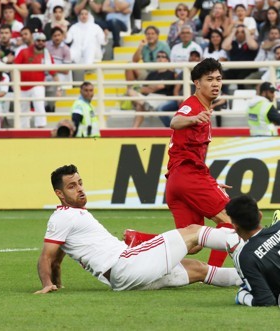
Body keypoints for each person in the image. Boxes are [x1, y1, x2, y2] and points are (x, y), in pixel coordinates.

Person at [35, 164, 242, 294]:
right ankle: (250, 241)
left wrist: (56, 284)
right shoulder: (63, 217)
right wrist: (46, 283)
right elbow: (46, 257)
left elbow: (56, 261)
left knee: (198, 269)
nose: (80, 189)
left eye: (80, 183)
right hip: (127, 264)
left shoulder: (69, 218)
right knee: (193, 231)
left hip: (125, 279)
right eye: (72, 186)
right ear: (59, 194)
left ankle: (258, 276)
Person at [161, 58, 234, 267]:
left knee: (192, 243)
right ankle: (213, 272)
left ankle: (137, 241)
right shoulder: (192, 106)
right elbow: (175, 122)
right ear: (197, 83)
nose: (215, 84)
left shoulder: (204, 110)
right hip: (188, 175)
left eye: (218, 79)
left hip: (178, 180)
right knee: (231, 219)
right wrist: (193, 119)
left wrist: (210, 181)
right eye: (209, 79)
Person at [13, 32, 59, 128]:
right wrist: (14, 84)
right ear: (34, 41)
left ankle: (41, 127)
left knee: (39, 105)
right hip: (22, 86)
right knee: (23, 109)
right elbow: (14, 69)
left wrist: (58, 88)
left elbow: (53, 72)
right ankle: (24, 130)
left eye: (43, 41)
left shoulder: (47, 55)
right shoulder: (23, 52)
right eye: (38, 40)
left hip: (38, 85)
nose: (41, 43)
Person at [126, 50, 175, 128]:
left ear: (167, 60)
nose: (160, 58)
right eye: (158, 56)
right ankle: (134, 130)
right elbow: (143, 89)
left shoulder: (171, 74)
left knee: (139, 106)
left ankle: (134, 128)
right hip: (149, 97)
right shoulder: (152, 74)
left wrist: (150, 88)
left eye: (163, 56)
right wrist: (151, 87)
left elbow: (159, 87)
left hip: (162, 98)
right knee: (130, 90)